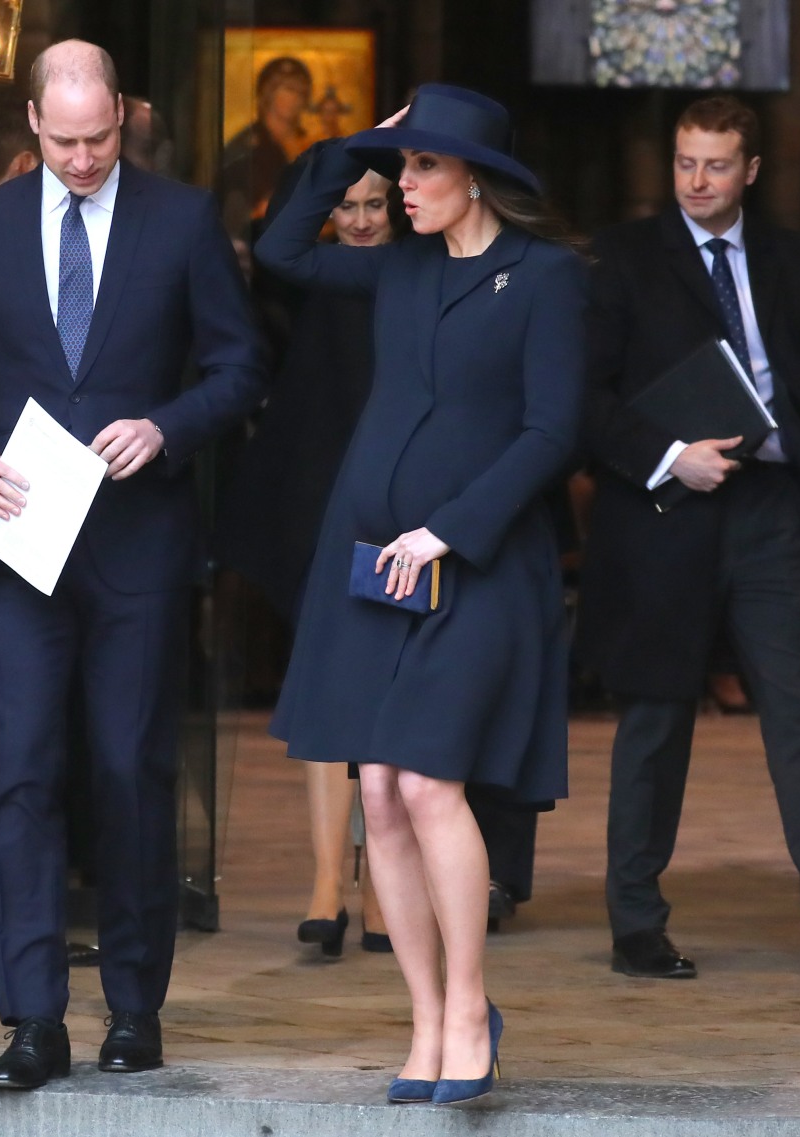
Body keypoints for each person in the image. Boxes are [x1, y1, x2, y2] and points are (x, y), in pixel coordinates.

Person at [0, 39, 265, 1090]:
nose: (81, 158)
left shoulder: (181, 219)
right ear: (33, 121)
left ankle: (134, 1005)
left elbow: (240, 364)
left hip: (136, 545)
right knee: (19, 773)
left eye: (99, 138)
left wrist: (166, 427)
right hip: (18, 543)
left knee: (128, 767)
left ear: (122, 117)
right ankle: (31, 1018)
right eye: (64, 140)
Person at [255, 84, 587, 1105]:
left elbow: (551, 431)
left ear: (474, 178)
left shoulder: (543, 277)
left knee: (429, 782)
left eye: (422, 165)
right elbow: (280, 251)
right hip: (372, 569)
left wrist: (450, 527)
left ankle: (469, 1009)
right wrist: (351, 146)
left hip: (475, 566)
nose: (401, 184)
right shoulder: (396, 265)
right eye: (402, 165)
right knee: (379, 789)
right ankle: (426, 1015)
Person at [576, 95, 800, 983]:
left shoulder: (793, 258)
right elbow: (584, 396)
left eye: (716, 165)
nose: (697, 180)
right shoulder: (622, 256)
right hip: (666, 511)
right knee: (656, 718)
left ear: (750, 171)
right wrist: (669, 457)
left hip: (769, 509)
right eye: (686, 162)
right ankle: (636, 924)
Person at [219, 164, 400, 956]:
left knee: (390, 699)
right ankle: (327, 881)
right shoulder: (306, 273)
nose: (358, 220)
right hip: (316, 502)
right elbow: (274, 243)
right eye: (344, 205)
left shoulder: (421, 272)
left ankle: (384, 884)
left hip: (396, 502)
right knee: (326, 687)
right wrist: (344, 156)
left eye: (374, 204)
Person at [219, 56, 313, 237]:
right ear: (268, 92)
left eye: (301, 91)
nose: (296, 98)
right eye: (289, 89)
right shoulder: (246, 148)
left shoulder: (309, 144)